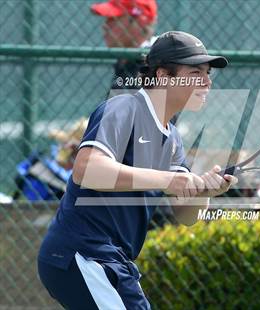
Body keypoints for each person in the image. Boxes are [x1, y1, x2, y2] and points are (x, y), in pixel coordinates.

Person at [37, 31, 237, 309]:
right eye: (196, 72)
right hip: (82, 254)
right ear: (163, 76)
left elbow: (186, 215)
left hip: (111, 261)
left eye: (208, 73)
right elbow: (87, 169)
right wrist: (169, 179)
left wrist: (205, 190)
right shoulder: (124, 107)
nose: (206, 82)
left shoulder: (172, 138)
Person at [91, 0, 158, 90]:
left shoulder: (153, 69)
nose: (105, 25)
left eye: (113, 18)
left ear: (140, 22)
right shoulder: (126, 63)